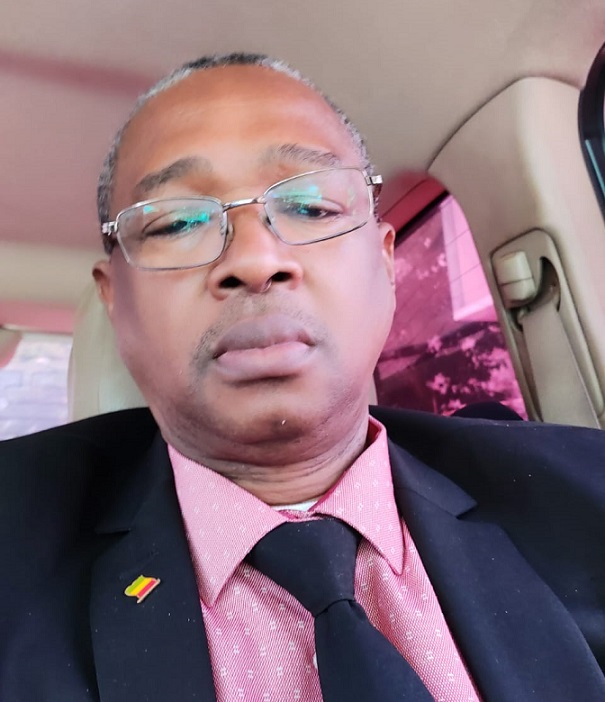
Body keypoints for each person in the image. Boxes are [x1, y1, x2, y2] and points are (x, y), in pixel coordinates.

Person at [1, 53, 604, 702]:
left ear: (385, 265)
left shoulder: (583, 491)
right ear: (115, 301)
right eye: (177, 222)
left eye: (312, 207)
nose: (255, 259)